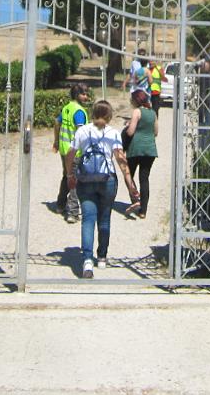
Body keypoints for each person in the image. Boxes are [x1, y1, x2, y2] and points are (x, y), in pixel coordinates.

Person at [65, 99, 138, 279]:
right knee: (104, 219)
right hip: (108, 180)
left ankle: (87, 261)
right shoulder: (112, 133)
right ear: (109, 116)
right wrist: (131, 185)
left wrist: (69, 175)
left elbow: (70, 154)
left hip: (86, 179)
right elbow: (121, 160)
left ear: (92, 114)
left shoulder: (82, 131)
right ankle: (103, 256)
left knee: (88, 219)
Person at [52, 83, 89, 223]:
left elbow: (57, 123)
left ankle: (60, 205)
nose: (86, 96)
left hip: (63, 148)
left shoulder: (66, 108)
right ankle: (72, 212)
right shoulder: (79, 111)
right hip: (74, 151)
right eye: (84, 94)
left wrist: (56, 141)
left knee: (66, 175)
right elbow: (81, 132)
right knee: (74, 179)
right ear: (76, 95)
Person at [123, 89, 158, 219]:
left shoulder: (137, 111)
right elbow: (155, 132)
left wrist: (128, 125)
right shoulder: (153, 113)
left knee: (129, 175)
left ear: (136, 100)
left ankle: (135, 198)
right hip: (150, 150)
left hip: (135, 149)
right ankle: (143, 210)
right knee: (144, 179)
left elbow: (130, 132)